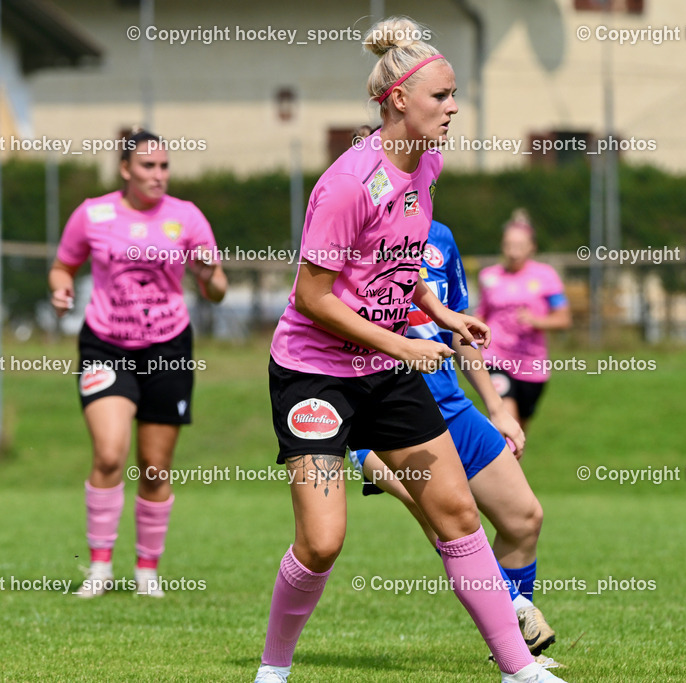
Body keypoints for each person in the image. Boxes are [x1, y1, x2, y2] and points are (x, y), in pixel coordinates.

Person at [255, 17, 563, 683]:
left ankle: (519, 670)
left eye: (454, 96)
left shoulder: (428, 163)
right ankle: (272, 670)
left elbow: (393, 264)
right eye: (441, 97)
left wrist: (439, 310)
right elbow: (314, 296)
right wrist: (402, 342)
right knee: (322, 541)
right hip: (315, 374)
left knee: (455, 511)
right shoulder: (347, 183)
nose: (453, 108)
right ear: (397, 100)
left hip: (384, 368)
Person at [349, 218, 560, 667]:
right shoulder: (353, 224)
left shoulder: (442, 236)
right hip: (383, 412)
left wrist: (497, 407)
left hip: (451, 404)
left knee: (524, 519)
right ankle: (517, 637)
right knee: (450, 525)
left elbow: (459, 327)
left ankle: (514, 639)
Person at [49, 129, 228, 598]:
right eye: (148, 166)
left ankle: (146, 570)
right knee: (110, 453)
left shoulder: (186, 218)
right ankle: (99, 566)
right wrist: (61, 287)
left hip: (168, 347)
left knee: (153, 466)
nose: (158, 175)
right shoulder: (94, 213)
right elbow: (63, 264)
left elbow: (218, 288)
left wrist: (210, 273)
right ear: (125, 169)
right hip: (105, 345)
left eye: (164, 166)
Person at [477, 211, 571, 435]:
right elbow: (481, 315)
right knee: (507, 422)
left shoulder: (546, 276)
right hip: (495, 357)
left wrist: (535, 321)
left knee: (520, 429)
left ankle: (510, 469)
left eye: (520, 245)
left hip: (532, 365)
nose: (513, 250)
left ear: (532, 247)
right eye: (508, 244)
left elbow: (563, 319)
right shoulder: (489, 277)